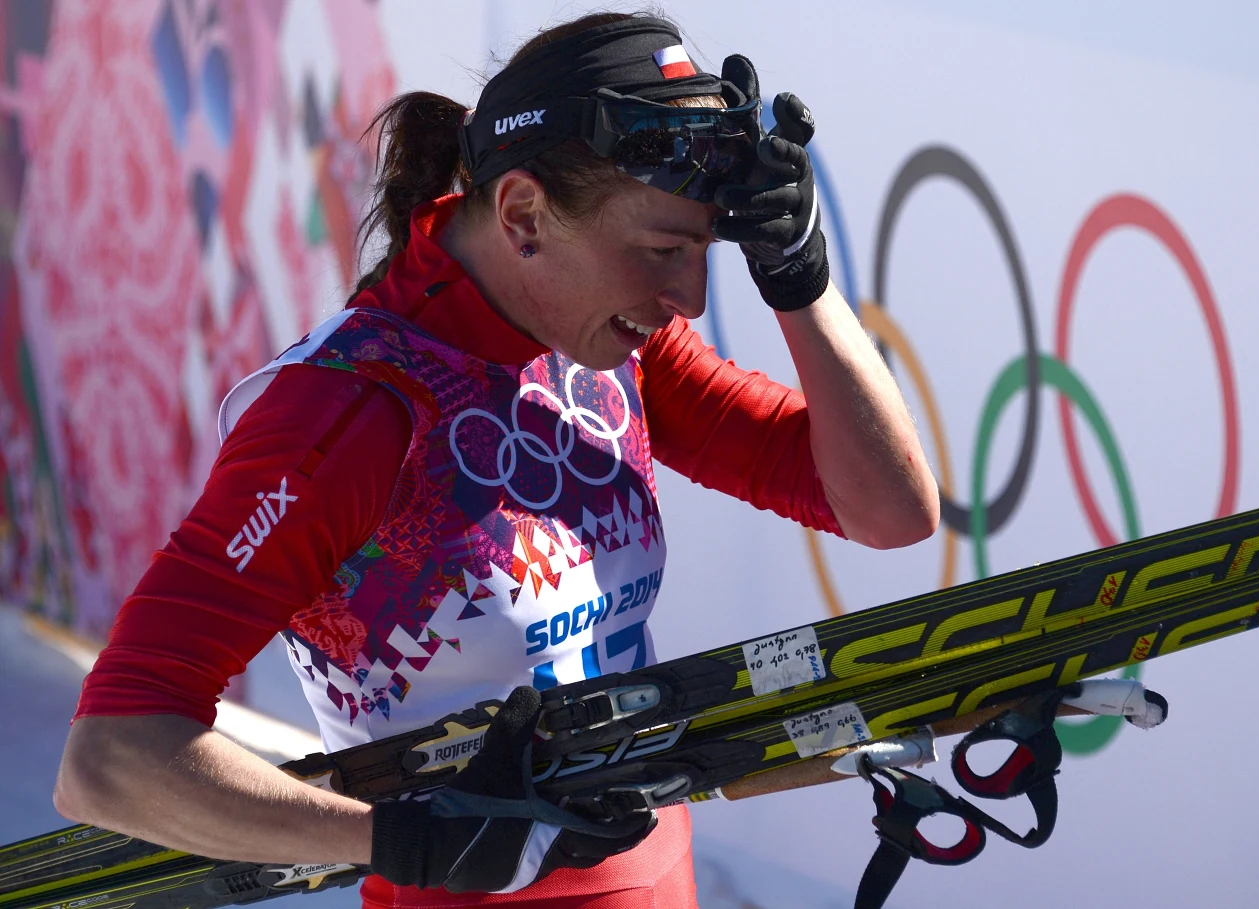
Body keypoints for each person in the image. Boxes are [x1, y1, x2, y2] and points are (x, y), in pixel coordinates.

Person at [53, 11, 939, 909]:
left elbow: (888, 511)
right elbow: (113, 754)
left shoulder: (616, 346)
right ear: (522, 213)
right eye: (663, 250)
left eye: (704, 249)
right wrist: (404, 843)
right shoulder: (346, 414)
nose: (689, 297)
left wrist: (801, 277)